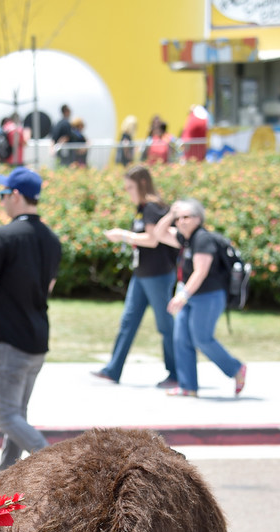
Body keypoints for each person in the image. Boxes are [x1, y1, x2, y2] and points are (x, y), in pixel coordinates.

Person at [0, 166, 61, 473]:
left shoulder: (2, 236)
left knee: (7, 416)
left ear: (17, 196)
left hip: (11, 340)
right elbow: (48, 287)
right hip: (37, 338)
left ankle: (53, 465)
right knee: (17, 413)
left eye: (3, 194)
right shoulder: (51, 239)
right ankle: (6, 472)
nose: (1, 200)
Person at [92, 164, 177, 388]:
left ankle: (177, 373)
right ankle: (113, 369)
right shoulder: (142, 208)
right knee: (128, 322)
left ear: (141, 184)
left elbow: (152, 239)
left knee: (165, 325)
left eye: (129, 187)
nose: (127, 191)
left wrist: (123, 236)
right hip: (142, 275)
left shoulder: (152, 207)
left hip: (158, 275)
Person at [153, 197, 246, 398]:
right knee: (182, 339)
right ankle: (188, 386)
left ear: (198, 218)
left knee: (202, 339)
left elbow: (200, 271)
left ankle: (236, 368)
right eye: (179, 218)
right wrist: (170, 214)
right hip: (191, 296)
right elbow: (158, 234)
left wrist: (182, 296)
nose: (181, 222)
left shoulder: (202, 239)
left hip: (208, 296)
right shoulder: (185, 239)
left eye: (186, 217)